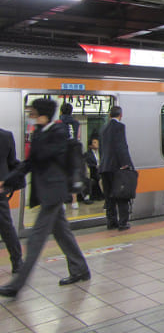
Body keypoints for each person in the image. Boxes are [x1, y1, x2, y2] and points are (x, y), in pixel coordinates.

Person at [0, 99, 90, 298]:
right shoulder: (41, 133)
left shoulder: (57, 133)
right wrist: (7, 181)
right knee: (62, 233)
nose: (30, 116)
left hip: (53, 193)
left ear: (43, 114)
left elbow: (39, 157)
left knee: (35, 240)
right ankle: (80, 269)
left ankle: (16, 285)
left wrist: (36, 142)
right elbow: (28, 163)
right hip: (47, 192)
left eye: (33, 112)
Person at [99, 106, 134, 231]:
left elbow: (102, 149)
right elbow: (121, 146)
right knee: (122, 195)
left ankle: (111, 222)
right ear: (121, 115)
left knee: (109, 197)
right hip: (117, 168)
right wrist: (127, 164)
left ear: (110, 115)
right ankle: (123, 223)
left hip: (104, 167)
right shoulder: (120, 127)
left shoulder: (103, 128)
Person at [59, 103, 90, 208]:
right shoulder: (76, 123)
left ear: (61, 111)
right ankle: (74, 202)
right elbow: (78, 136)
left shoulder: (58, 123)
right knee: (74, 176)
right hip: (74, 152)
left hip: (62, 153)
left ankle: (62, 202)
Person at [0, 128, 22, 275]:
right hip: (1, 189)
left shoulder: (6, 136)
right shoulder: (6, 136)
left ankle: (17, 261)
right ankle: (17, 262)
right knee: (7, 227)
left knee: (7, 227)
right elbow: (12, 163)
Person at [84, 136, 103, 201]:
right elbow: (89, 164)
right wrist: (96, 166)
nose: (97, 144)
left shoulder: (101, 153)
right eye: (95, 142)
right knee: (100, 177)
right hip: (94, 171)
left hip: (102, 169)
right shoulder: (87, 154)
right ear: (90, 145)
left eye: (97, 142)